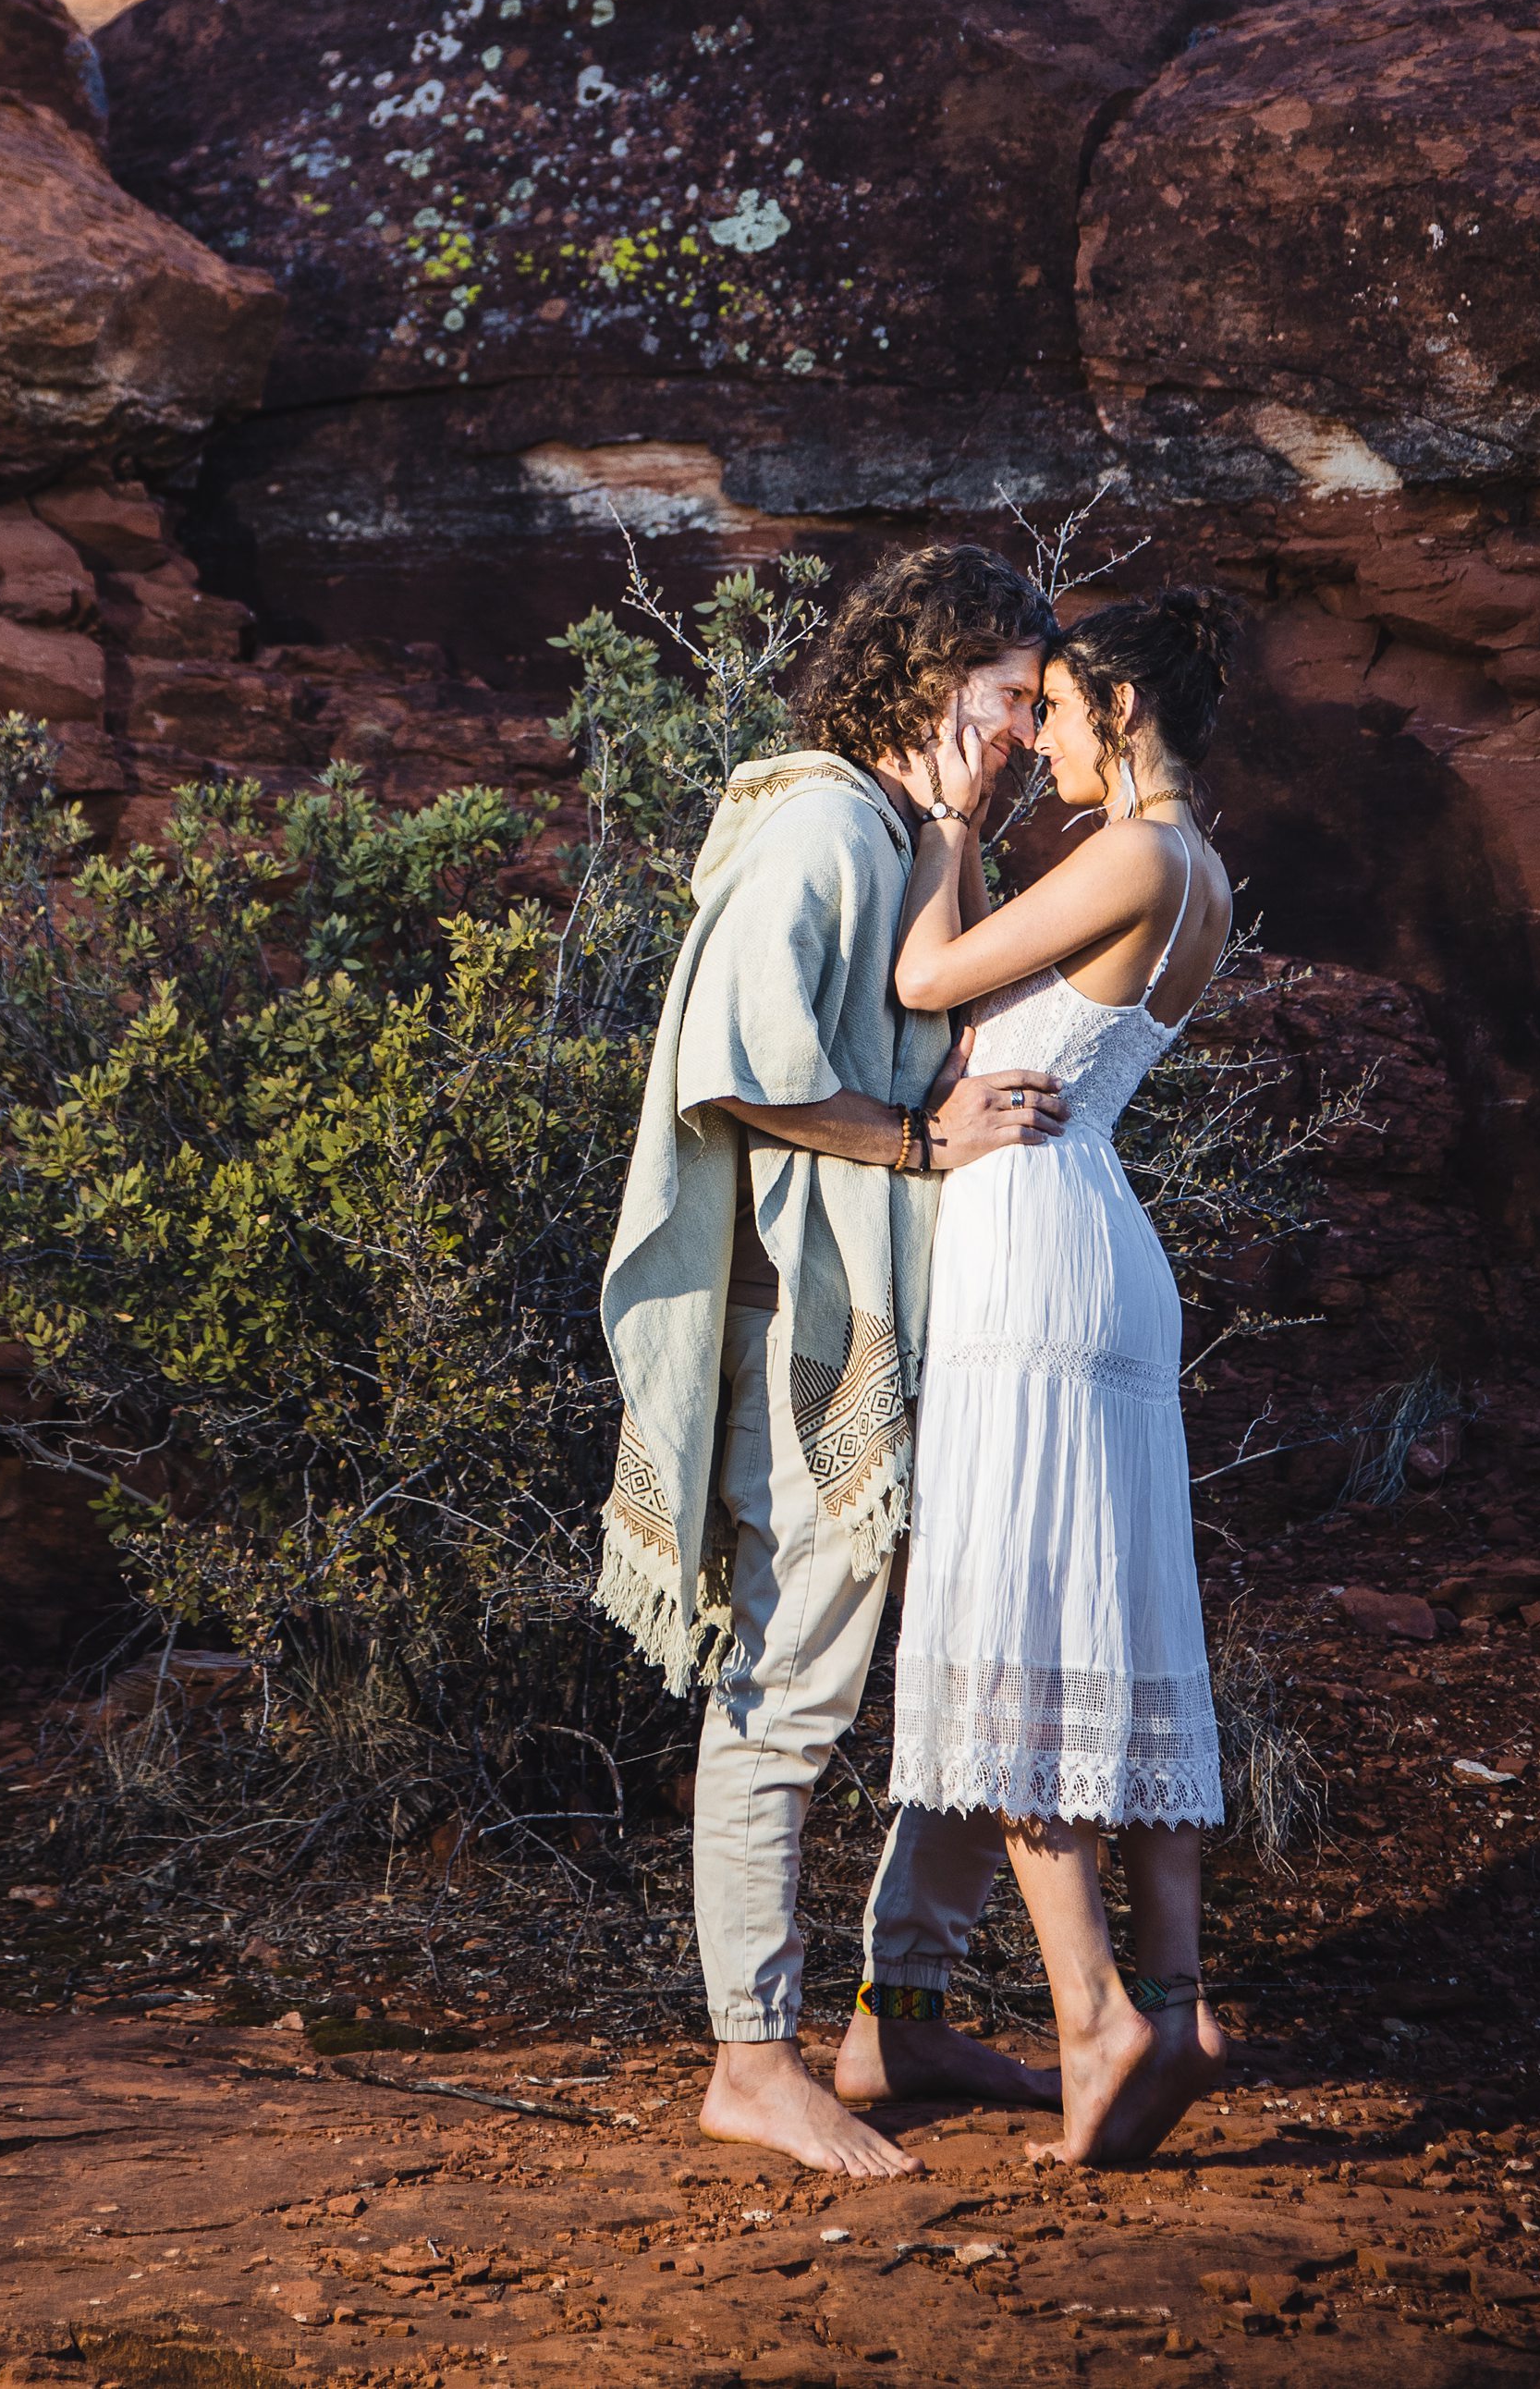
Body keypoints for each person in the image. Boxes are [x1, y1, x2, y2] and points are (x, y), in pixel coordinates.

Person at [596, 544, 1070, 2181]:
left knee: (956, 1660)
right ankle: (750, 2053)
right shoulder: (815, 825)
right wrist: (922, 1146)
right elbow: (734, 1067)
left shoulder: (909, 837)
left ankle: (906, 2014)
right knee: (790, 1693)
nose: (1025, 729)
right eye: (1011, 697)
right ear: (935, 683)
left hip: (916, 1328)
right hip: (809, 1331)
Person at [884, 588, 1241, 2167]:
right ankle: (1169, 2002)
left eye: (1057, 707)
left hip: (1031, 1250)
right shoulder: (1204, 872)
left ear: (1122, 706)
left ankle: (1092, 2016)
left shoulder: (1138, 853)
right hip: (1094, 1239)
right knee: (1120, 1626)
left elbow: (923, 980)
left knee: (1019, 1629)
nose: (1037, 735)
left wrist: (955, 822)